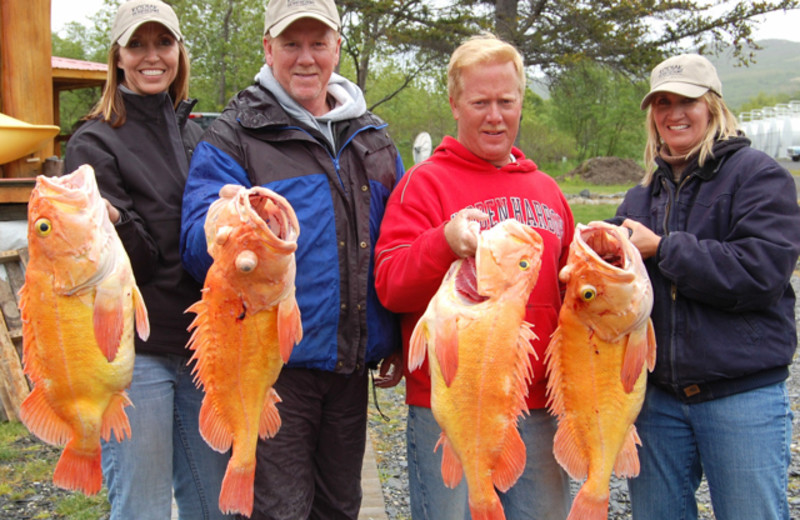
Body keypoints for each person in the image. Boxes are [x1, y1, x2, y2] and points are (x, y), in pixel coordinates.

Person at [179, 0, 405, 518]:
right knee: (279, 510)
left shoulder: (373, 138)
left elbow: (392, 242)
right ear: (267, 49)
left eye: (318, 43)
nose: (306, 58)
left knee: (340, 506)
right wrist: (223, 225)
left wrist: (393, 333)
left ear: (337, 48)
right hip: (270, 368)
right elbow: (194, 242)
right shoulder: (234, 134)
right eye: (291, 44)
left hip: (349, 370)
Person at [373, 33, 574, 520]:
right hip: (450, 407)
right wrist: (443, 241)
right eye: (480, 102)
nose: (495, 115)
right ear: (454, 104)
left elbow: (573, 295)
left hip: (536, 408)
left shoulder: (547, 190)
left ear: (521, 102)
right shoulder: (424, 184)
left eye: (506, 101)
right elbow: (391, 283)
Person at [612, 53, 800, 520]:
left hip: (741, 396)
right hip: (657, 402)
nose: (674, 113)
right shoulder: (642, 193)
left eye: (687, 101)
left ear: (712, 106)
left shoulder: (758, 175)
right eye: (662, 103)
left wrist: (665, 249)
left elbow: (761, 272)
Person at [63, 1, 232, 519]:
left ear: (180, 53)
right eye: (137, 45)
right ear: (117, 57)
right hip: (132, 358)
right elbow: (117, 262)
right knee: (143, 509)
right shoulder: (93, 141)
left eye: (164, 43)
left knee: (217, 507)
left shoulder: (201, 134)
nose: (151, 56)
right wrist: (112, 222)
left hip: (205, 350)